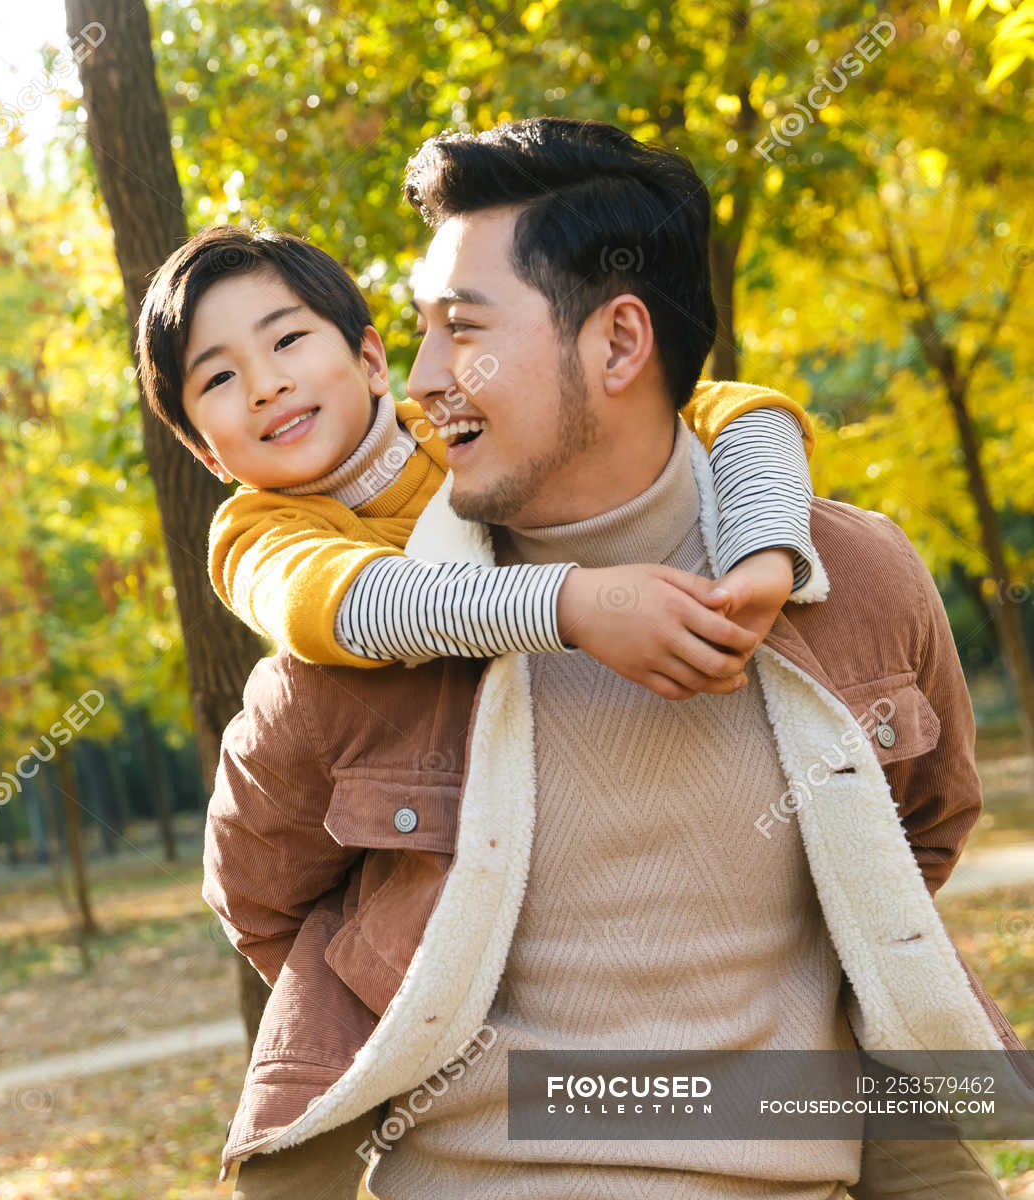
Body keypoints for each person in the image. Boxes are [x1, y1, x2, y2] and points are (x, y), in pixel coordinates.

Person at [197, 119, 1020, 1198]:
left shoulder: (854, 584)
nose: (423, 378)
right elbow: (263, 901)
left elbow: (916, 834)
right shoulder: (357, 635)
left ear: (621, 344)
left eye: (462, 330)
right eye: (421, 330)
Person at [138, 224, 825, 700]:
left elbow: (732, 408)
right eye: (218, 380)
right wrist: (576, 606)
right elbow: (356, 606)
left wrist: (764, 552)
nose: (266, 385)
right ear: (204, 453)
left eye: (287, 339)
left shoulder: (468, 418)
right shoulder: (255, 536)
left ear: (372, 360)